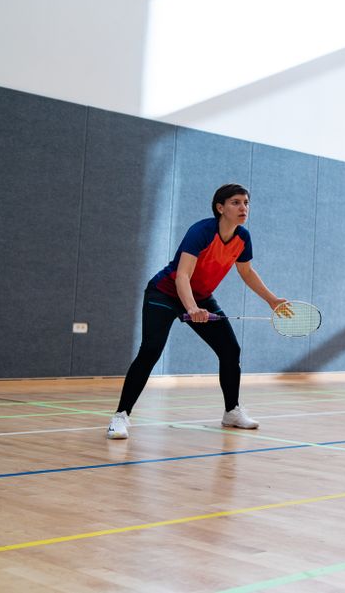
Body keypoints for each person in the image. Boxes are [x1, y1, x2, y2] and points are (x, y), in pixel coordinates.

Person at [106, 184, 289, 439]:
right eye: (236, 202)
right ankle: (120, 416)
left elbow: (246, 271)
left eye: (246, 203)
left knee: (230, 350)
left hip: (200, 296)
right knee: (150, 351)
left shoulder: (242, 238)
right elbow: (182, 275)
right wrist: (191, 308)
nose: (243, 208)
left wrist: (272, 300)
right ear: (220, 208)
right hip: (164, 293)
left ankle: (232, 411)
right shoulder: (201, 231)